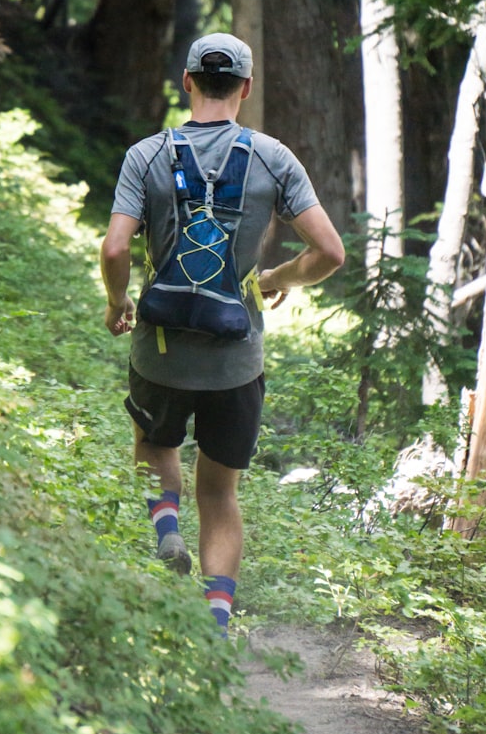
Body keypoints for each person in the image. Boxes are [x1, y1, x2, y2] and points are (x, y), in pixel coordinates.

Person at [100, 32, 345, 634]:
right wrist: (275, 278)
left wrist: (116, 299)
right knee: (220, 493)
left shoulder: (147, 155)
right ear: (246, 88)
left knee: (155, 444)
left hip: (160, 352)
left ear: (187, 82)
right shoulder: (273, 158)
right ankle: (216, 624)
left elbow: (114, 246)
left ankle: (165, 527)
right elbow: (330, 252)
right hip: (237, 360)